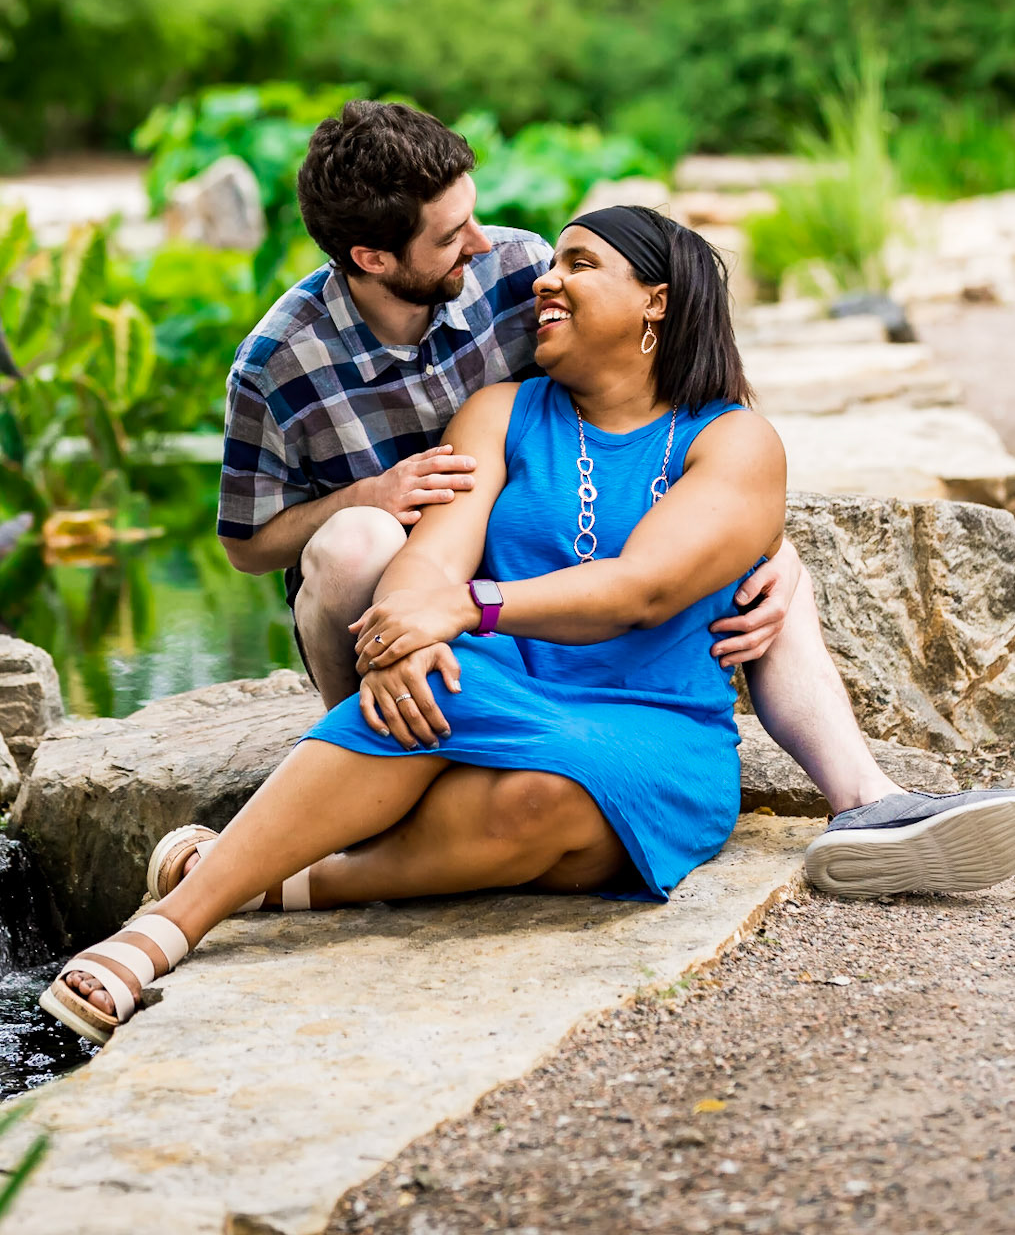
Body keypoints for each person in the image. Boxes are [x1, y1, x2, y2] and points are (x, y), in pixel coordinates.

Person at [41, 203, 1015, 1043]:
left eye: (579, 264)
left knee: (542, 804)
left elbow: (641, 588)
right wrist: (407, 625)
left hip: (651, 724)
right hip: (496, 683)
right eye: (549, 261)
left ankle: (279, 878)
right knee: (427, 688)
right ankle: (167, 927)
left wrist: (464, 605)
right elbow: (435, 549)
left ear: (656, 301)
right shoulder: (500, 411)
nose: (544, 279)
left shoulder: (732, 439)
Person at [215, 102, 1015, 901]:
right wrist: (371, 497)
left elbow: (649, 386)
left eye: (473, 217)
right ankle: (374, 757)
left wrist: (761, 539)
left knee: (772, 572)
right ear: (372, 257)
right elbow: (246, 545)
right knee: (357, 540)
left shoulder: (513, 270)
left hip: (504, 568)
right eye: (451, 234)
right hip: (412, 587)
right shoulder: (276, 362)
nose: (485, 243)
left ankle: (865, 800)